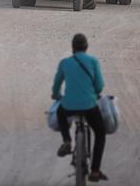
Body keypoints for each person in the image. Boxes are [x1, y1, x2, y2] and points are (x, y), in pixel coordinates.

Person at [52, 33, 108, 182]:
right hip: (89, 106)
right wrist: (95, 94)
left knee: (60, 112)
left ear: (73, 48)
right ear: (86, 47)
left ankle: (67, 141)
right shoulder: (93, 61)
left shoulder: (65, 63)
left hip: (69, 105)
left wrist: (56, 95)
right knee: (100, 133)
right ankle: (95, 171)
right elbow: (100, 85)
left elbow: (57, 85)